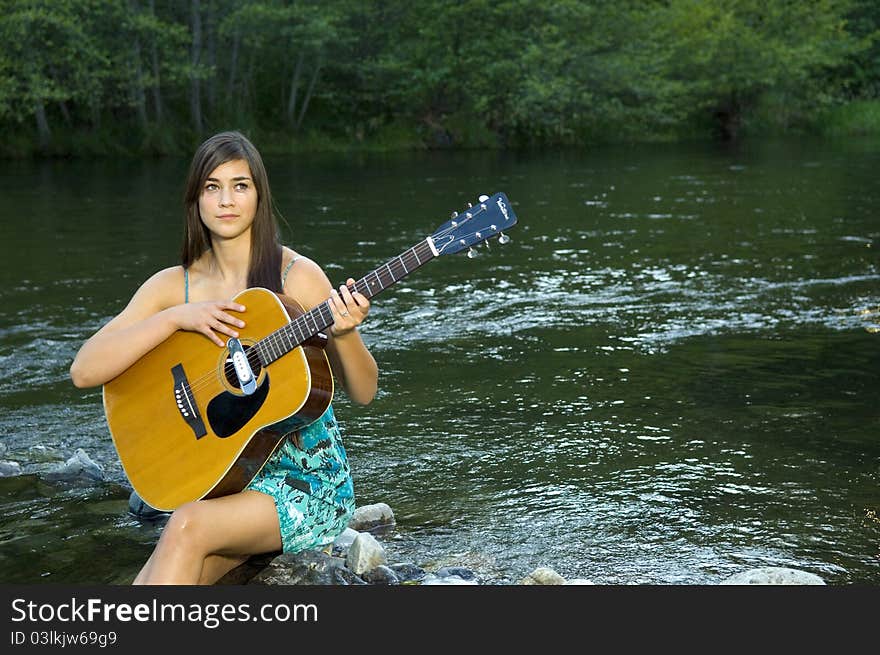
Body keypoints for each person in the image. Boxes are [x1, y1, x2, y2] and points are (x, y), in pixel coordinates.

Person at [69, 131, 378, 584]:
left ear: (259, 195)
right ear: (195, 199)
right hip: (221, 479)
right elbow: (84, 369)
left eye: (240, 185)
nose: (226, 200)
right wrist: (176, 319)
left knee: (185, 525)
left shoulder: (297, 277)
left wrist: (346, 333)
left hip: (304, 486)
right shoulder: (173, 287)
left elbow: (365, 392)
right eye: (212, 187)